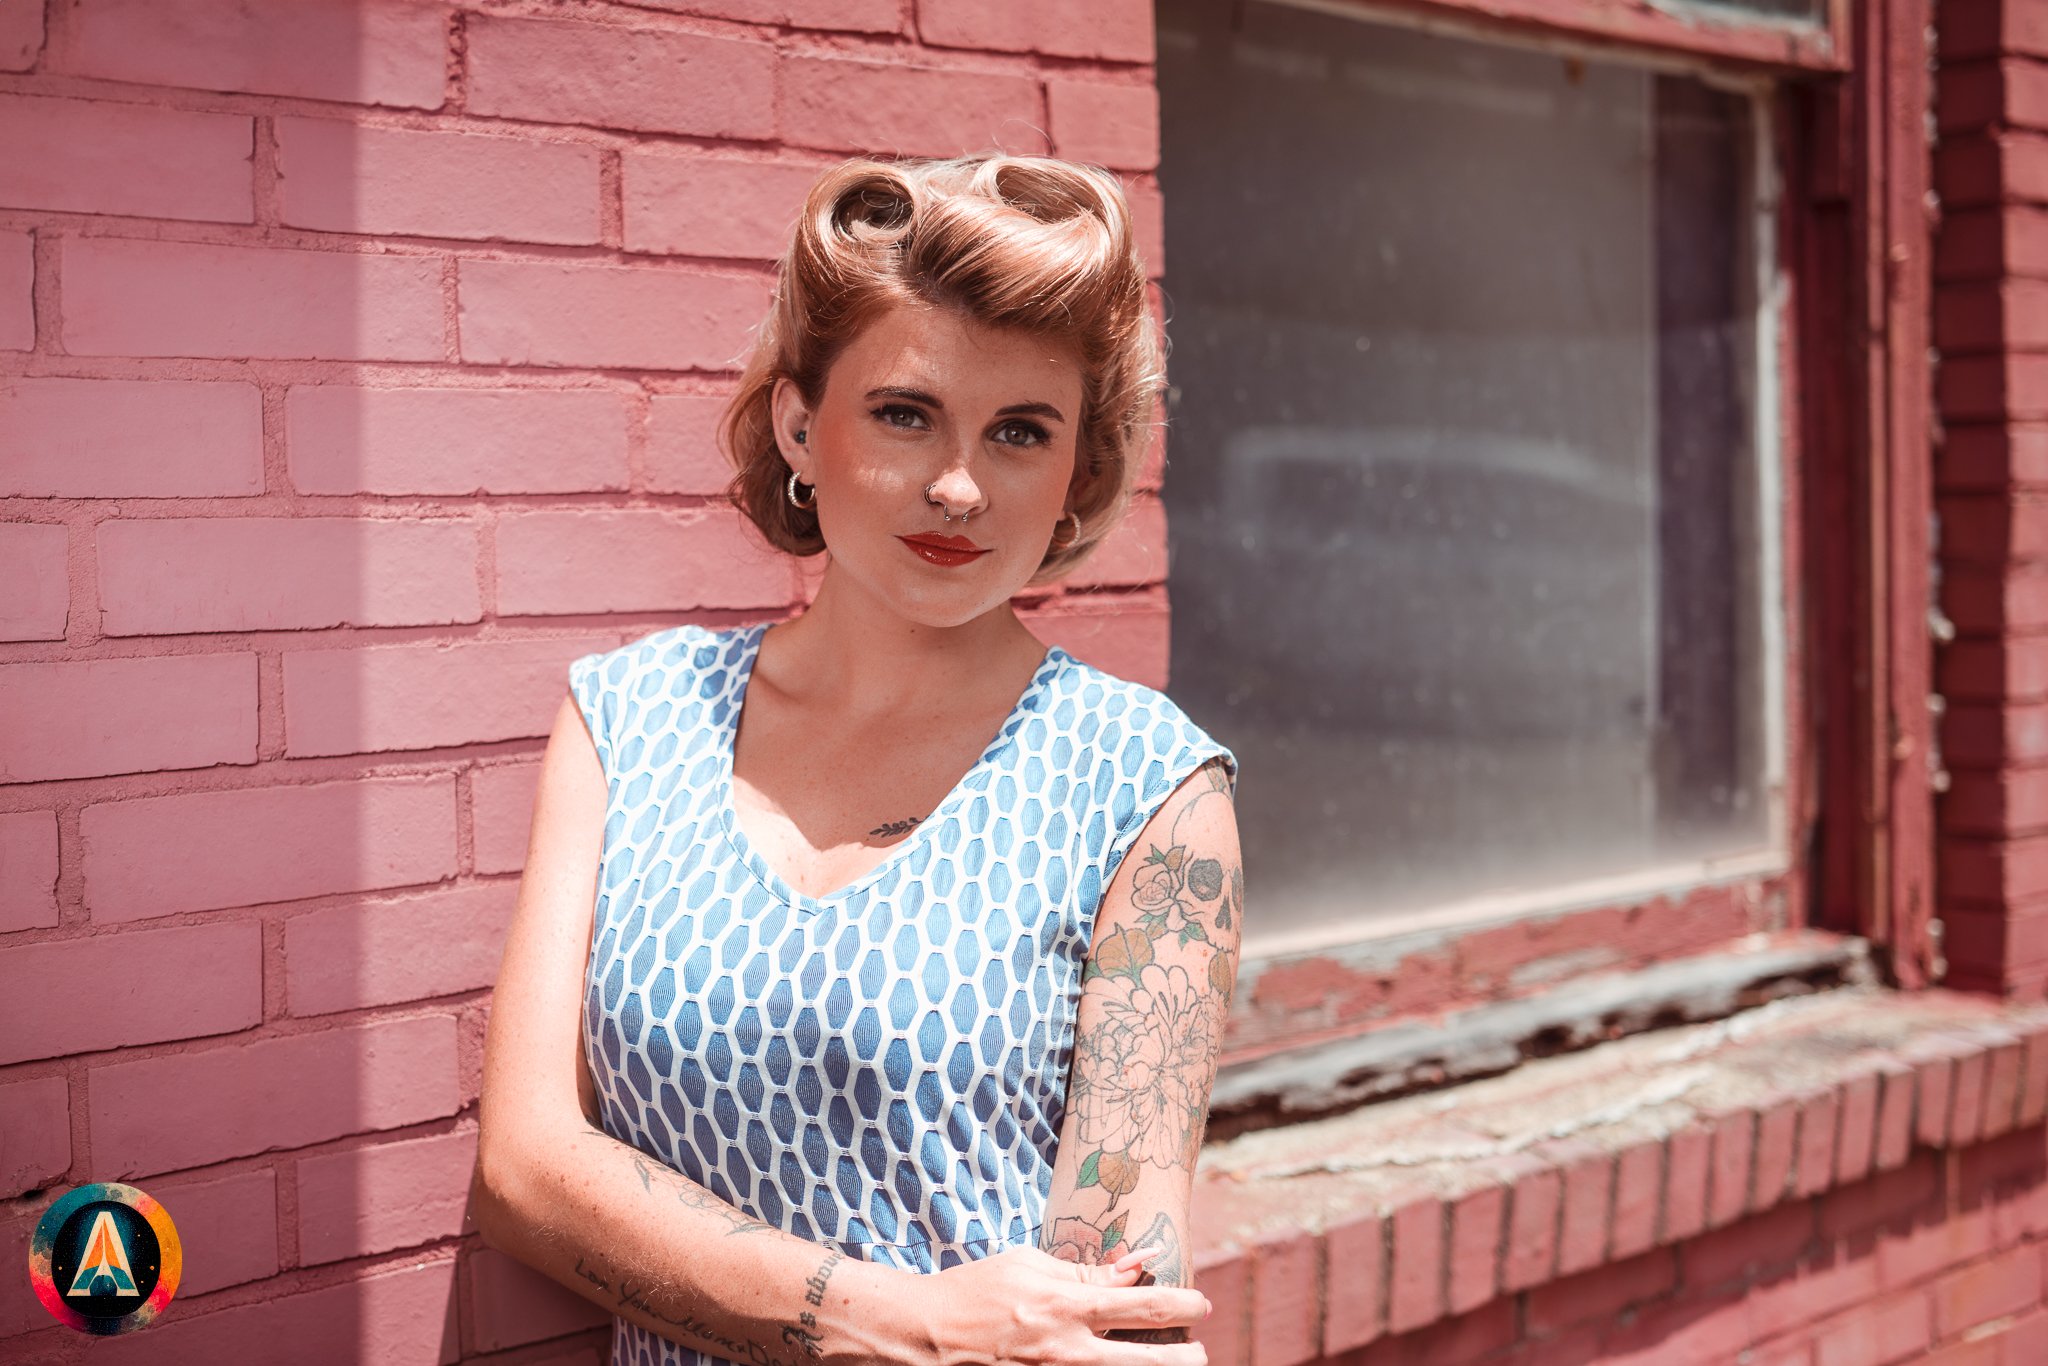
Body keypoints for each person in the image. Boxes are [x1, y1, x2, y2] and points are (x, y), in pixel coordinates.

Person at [474, 152, 1244, 1366]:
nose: (956, 485)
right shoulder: (631, 719)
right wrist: (903, 1323)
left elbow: (1112, 1313)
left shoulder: (1142, 789)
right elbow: (521, 1168)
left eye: (1019, 433)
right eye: (902, 413)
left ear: (1076, 476)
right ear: (798, 423)